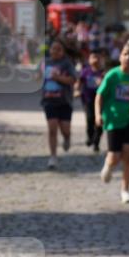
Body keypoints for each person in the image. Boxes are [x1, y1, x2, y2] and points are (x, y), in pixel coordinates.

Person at [95, 41, 129, 203]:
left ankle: (125, 190)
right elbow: (100, 95)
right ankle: (109, 164)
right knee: (114, 156)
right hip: (113, 120)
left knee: (128, 156)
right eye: (125, 54)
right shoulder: (113, 75)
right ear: (120, 57)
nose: (127, 57)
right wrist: (98, 114)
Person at [40, 39, 76, 169]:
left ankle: (67, 138)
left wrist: (58, 78)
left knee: (65, 129)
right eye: (53, 49)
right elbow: (38, 77)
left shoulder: (67, 64)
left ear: (63, 51)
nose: (55, 51)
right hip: (49, 100)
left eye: (58, 49)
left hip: (64, 101)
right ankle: (53, 157)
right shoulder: (45, 62)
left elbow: (73, 80)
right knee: (52, 129)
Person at [77, 48, 105, 151]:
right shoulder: (86, 71)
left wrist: (102, 82)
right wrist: (77, 89)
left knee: (99, 121)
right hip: (88, 100)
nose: (95, 59)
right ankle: (90, 137)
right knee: (90, 119)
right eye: (93, 57)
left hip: (101, 101)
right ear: (89, 59)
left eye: (98, 57)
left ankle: (96, 142)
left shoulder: (103, 73)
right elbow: (79, 82)